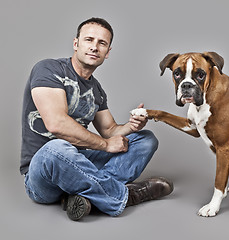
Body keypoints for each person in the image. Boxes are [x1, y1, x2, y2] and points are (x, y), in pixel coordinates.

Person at [20, 17, 173, 221]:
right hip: (42, 174)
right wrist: (105, 144)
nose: (94, 47)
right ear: (76, 44)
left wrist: (130, 126)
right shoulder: (49, 69)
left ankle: (83, 196)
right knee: (56, 148)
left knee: (146, 140)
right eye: (89, 40)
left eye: (102, 43)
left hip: (79, 162)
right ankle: (127, 196)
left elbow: (109, 130)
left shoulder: (97, 90)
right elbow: (56, 124)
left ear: (108, 52)